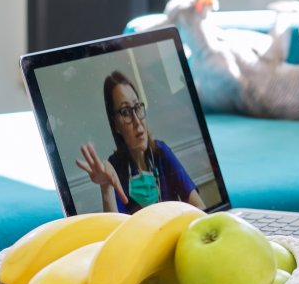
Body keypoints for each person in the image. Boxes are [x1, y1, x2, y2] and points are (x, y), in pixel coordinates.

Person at [75, 70, 206, 213]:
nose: (137, 122)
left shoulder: (161, 152)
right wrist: (106, 188)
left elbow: (199, 207)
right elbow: (116, 232)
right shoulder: (114, 169)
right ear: (116, 125)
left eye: (137, 107)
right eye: (125, 112)